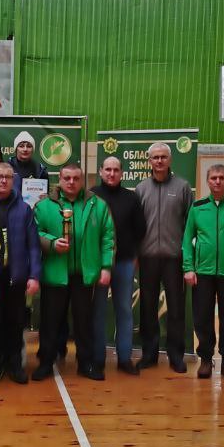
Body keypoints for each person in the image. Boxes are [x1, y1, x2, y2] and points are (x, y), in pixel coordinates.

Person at [33, 164, 114, 381]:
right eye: (67, 178)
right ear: (59, 179)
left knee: (84, 322)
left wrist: (106, 266)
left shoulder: (97, 205)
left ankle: (85, 363)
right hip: (54, 273)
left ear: (82, 180)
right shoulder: (43, 205)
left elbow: (108, 237)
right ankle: (45, 362)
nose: (71, 182)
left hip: (84, 274)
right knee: (50, 322)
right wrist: (52, 243)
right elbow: (35, 233)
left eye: (76, 178)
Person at [181, 164, 224, 380]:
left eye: (221, 177)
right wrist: (188, 268)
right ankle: (205, 359)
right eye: (213, 178)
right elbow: (187, 241)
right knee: (202, 317)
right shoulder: (198, 207)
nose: (217, 181)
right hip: (202, 272)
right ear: (207, 181)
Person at [135, 143, 194, 373]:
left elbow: (190, 224)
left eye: (163, 157)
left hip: (174, 258)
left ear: (169, 160)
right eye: (155, 157)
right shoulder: (141, 189)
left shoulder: (183, 187)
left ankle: (176, 356)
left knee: (176, 309)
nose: (159, 161)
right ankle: (149, 354)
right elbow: (136, 225)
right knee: (147, 308)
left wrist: (187, 254)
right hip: (147, 258)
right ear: (149, 161)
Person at [0, 162, 41, 384]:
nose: (3, 180)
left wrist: (34, 275)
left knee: (16, 323)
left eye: (8, 177)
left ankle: (15, 365)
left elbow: (34, 246)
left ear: (13, 180)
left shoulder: (24, 209)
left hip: (17, 277)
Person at [92, 155, 147, 374]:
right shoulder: (92, 196)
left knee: (124, 310)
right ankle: (97, 359)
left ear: (122, 173)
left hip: (124, 263)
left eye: (116, 170)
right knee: (98, 311)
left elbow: (140, 230)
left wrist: (135, 256)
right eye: (108, 169)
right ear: (101, 171)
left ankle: (124, 358)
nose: (112, 173)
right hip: (99, 264)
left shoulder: (131, 198)